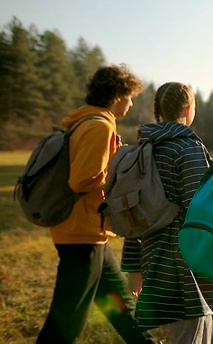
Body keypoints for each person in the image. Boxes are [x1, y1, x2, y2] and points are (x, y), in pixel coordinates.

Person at [36, 64, 157, 343]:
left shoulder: (88, 122)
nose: (131, 101)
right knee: (66, 321)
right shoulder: (98, 126)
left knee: (118, 308)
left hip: (92, 236)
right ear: (117, 95)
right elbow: (83, 180)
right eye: (130, 96)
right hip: (82, 237)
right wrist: (117, 173)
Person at [120, 82, 213, 344]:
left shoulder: (144, 149)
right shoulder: (188, 148)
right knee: (191, 336)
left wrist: (134, 268)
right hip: (187, 267)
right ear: (188, 108)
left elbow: (134, 212)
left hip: (153, 258)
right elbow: (202, 216)